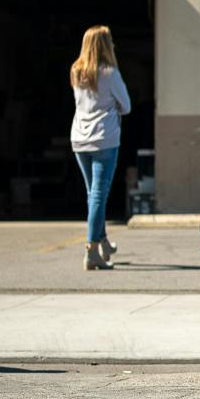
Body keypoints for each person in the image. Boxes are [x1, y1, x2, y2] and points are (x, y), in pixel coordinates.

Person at [70, 25, 132, 272]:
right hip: (104, 139)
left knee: (94, 194)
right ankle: (92, 250)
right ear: (105, 45)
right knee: (98, 195)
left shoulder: (76, 72)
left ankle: (103, 241)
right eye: (110, 41)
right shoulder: (110, 73)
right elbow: (126, 106)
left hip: (79, 139)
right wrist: (112, 106)